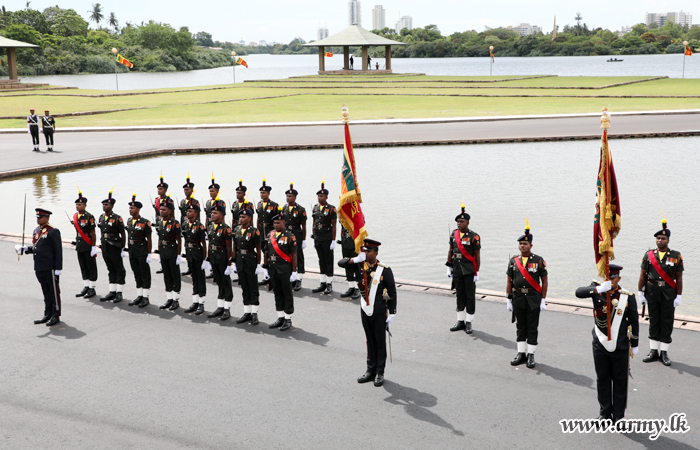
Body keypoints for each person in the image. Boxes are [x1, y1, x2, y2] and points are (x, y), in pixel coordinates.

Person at [575, 264, 639, 423]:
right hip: (600, 344)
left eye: (612, 277)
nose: (609, 280)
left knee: (619, 382)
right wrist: (598, 289)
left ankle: (618, 416)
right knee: (602, 379)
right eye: (606, 277)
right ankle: (604, 414)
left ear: (619, 278)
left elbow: (634, 322)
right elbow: (578, 292)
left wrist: (635, 343)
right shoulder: (597, 289)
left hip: (620, 345)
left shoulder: (627, 297)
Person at [338, 239, 397, 387]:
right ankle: (370, 369)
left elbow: (391, 292)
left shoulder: (384, 270)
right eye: (364, 251)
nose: (366, 253)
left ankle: (379, 372)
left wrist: (392, 312)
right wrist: (354, 259)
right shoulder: (359, 265)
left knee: (379, 342)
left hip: (379, 311)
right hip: (365, 310)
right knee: (369, 340)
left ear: (376, 253)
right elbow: (341, 263)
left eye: (369, 251)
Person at [638, 216, 683, 366]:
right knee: (653, 321)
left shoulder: (676, 256)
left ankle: (664, 352)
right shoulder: (649, 255)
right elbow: (643, 275)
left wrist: (679, 295)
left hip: (669, 293)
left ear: (668, 240)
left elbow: (679, 277)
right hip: (651, 292)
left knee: (667, 321)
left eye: (663, 238)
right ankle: (653, 351)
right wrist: (640, 292)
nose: (660, 241)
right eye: (658, 238)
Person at [506, 220, 548, 369]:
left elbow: (544, 280)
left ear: (531, 245)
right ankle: (520, 353)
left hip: (533, 299)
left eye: (525, 244)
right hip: (518, 297)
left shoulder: (538, 260)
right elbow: (509, 281)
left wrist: (543, 299)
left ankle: (531, 354)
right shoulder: (513, 261)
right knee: (520, 326)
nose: (522, 246)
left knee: (532, 326)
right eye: (520, 244)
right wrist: (508, 298)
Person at [15, 208, 63, 326]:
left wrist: (58, 268)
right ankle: (47, 313)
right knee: (45, 290)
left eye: (40, 217)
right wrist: (26, 249)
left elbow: (58, 251)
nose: (38, 219)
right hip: (39, 266)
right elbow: (37, 247)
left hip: (50, 266)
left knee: (54, 291)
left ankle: (55, 315)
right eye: (37, 217)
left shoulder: (53, 231)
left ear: (47, 218)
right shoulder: (37, 231)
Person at [446, 203, 481, 334]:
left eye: (461, 221)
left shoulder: (474, 236)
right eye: (458, 222)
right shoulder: (453, 234)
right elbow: (450, 251)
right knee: (459, 294)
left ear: (467, 222)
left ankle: (469, 321)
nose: (459, 224)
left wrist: (477, 272)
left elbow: (477, 256)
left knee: (470, 296)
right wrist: (449, 267)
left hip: (469, 270)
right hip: (457, 269)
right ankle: (460, 321)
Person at [264, 207, 297, 331]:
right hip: (273, 267)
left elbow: (294, 255)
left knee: (287, 293)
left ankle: (288, 319)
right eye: (274, 223)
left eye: (278, 222)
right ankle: (280, 317)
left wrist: (294, 271)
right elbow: (266, 252)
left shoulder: (290, 236)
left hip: (285, 268)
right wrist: (265, 267)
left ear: (284, 223)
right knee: (277, 292)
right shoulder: (270, 234)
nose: (276, 225)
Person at [234, 207, 263, 324]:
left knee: (253, 287)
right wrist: (234, 262)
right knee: (244, 287)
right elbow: (234, 247)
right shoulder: (236, 230)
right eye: (240, 217)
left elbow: (258, 249)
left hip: (251, 261)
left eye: (244, 217)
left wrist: (258, 265)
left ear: (250, 218)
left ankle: (254, 313)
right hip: (240, 261)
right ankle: (247, 312)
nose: (241, 219)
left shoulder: (254, 231)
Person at [98, 189, 127, 303]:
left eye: (107, 204)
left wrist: (123, 248)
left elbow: (123, 234)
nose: (104, 206)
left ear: (112, 206)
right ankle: (112, 291)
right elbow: (101, 231)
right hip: (105, 245)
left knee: (118, 268)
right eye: (103, 204)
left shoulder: (117, 218)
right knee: (110, 268)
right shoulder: (101, 217)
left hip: (115, 245)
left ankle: (119, 292)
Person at [207, 204, 235, 320]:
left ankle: (227, 308)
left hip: (223, 257)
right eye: (212, 213)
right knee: (218, 281)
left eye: (215, 213)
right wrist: (208, 259)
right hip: (214, 257)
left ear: (222, 215)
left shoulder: (226, 229)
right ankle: (220, 307)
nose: (212, 215)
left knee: (225, 282)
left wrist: (229, 264)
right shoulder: (210, 226)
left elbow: (229, 248)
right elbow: (209, 243)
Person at [125, 194, 153, 308]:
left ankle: (145, 297)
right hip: (132, 250)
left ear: (138, 209)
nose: (130, 210)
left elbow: (149, 238)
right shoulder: (129, 221)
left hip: (142, 250)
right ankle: (139, 295)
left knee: (144, 273)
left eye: (132, 208)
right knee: (136, 272)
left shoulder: (145, 222)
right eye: (129, 208)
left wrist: (149, 253)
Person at [311, 180, 337, 294]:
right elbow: (314, 223)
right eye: (318, 196)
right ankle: (322, 282)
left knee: (328, 260)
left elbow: (334, 225)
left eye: (321, 196)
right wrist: (314, 236)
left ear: (326, 197)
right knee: (321, 259)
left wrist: (333, 240)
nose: (319, 198)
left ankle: (329, 283)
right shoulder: (315, 208)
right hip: (318, 237)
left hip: (327, 237)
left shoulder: (331, 208)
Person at [157, 196, 182, 311]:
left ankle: (175, 299)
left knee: (174, 275)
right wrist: (158, 252)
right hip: (163, 251)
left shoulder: (174, 223)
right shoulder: (160, 222)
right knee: (166, 275)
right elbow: (159, 238)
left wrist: (179, 254)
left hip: (172, 250)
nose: (161, 211)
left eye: (164, 210)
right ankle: (169, 298)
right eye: (161, 209)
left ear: (170, 211)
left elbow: (179, 240)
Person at [182, 202, 208, 315]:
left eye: (191, 211)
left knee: (200, 278)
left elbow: (204, 243)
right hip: (189, 253)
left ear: (196, 213)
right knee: (194, 278)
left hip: (198, 253)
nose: (188, 213)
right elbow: (185, 240)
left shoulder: (199, 226)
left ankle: (201, 303)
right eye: (187, 211)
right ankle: (195, 302)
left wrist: (205, 259)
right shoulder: (185, 224)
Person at [73, 188, 98, 299]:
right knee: (83, 266)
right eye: (77, 204)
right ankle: (86, 286)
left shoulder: (89, 217)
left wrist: (93, 246)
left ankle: (92, 288)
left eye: (80, 204)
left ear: (85, 205)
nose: (78, 206)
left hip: (88, 243)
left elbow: (93, 232)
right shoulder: (75, 216)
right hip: (79, 244)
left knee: (90, 266)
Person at [283, 182, 307, 291]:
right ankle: (291, 278)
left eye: (290, 196)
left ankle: (299, 279)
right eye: (287, 196)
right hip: (287, 234)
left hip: (297, 233)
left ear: (295, 197)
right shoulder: (284, 208)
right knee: (288, 255)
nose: (288, 198)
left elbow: (304, 226)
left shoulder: (301, 209)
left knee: (299, 256)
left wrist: (304, 239)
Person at [256, 178, 278, 286]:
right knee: (264, 252)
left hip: (270, 230)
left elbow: (277, 221)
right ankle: (266, 276)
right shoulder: (259, 204)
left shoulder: (274, 205)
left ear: (268, 194)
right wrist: (257, 230)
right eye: (261, 192)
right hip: (261, 230)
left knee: (271, 253)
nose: (262, 194)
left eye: (264, 193)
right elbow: (258, 219)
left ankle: (273, 275)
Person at [178, 173, 199, 276]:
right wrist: (181, 227)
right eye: (185, 190)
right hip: (185, 225)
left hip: (194, 225)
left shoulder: (195, 202)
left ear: (192, 190)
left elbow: (198, 215)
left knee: (195, 244)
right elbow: (182, 216)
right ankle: (189, 266)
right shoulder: (182, 202)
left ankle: (196, 266)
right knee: (187, 245)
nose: (186, 191)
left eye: (188, 189)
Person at [339, 223, 361, 299]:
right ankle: (351, 287)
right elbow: (342, 229)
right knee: (347, 265)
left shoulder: (357, 213)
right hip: (345, 242)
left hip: (354, 243)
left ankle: (357, 288)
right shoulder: (343, 214)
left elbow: (360, 227)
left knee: (356, 266)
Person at [153, 173, 168, 275]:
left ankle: (168, 264)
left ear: (165, 190)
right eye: (158, 189)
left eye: (161, 189)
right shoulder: (156, 200)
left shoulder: (168, 200)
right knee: (160, 243)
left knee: (168, 243)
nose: (159, 191)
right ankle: (162, 264)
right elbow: (156, 213)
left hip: (167, 223)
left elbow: (172, 214)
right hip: (159, 223)